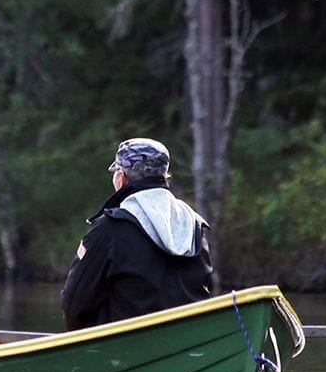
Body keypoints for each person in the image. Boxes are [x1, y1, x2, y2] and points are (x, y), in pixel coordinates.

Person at [60, 137, 213, 331]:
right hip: (190, 343)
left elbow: (75, 303)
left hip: (121, 348)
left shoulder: (110, 227)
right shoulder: (194, 226)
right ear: (163, 177)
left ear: (121, 178)